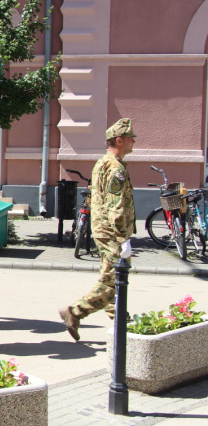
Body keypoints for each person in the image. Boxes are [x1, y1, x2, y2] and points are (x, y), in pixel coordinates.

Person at [59, 118, 136, 341]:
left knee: (109, 274)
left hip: (103, 228)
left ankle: (120, 317)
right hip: (112, 231)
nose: (133, 142)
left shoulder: (103, 162)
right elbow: (116, 204)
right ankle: (75, 312)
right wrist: (123, 238)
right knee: (113, 277)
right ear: (119, 140)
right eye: (130, 138)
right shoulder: (115, 167)